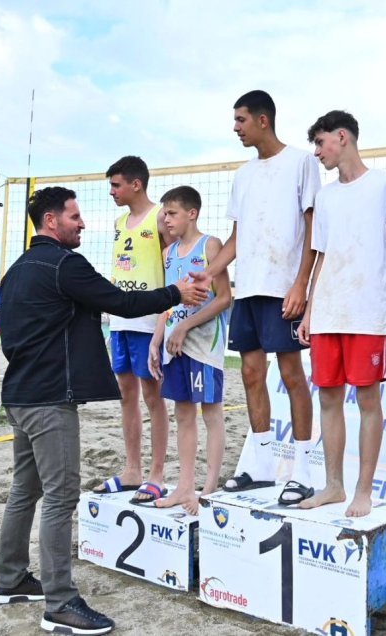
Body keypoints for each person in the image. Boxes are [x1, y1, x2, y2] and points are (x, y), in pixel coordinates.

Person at [0, 186, 206, 635]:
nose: (82, 223)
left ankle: (9, 579)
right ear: (51, 221)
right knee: (60, 496)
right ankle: (60, 603)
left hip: (20, 395)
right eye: (74, 216)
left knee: (24, 490)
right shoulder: (64, 265)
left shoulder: (16, 271)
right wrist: (175, 292)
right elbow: (121, 302)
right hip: (50, 400)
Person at [193, 90, 321, 506]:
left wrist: (301, 283)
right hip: (248, 286)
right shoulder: (243, 174)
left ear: (262, 120)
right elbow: (237, 236)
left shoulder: (302, 162)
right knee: (250, 373)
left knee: (291, 374)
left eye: (241, 120)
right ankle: (261, 466)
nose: (235, 128)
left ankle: (302, 470)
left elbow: (313, 229)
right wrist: (210, 272)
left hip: (282, 285)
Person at [297, 110, 386, 517]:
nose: (317, 152)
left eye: (321, 142)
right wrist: (310, 310)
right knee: (328, 398)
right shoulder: (325, 196)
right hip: (329, 311)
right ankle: (334, 485)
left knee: (368, 400)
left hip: (368, 313)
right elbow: (322, 256)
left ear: (342, 137)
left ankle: (364, 489)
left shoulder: (385, 186)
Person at [93, 155, 173, 504]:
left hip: (148, 322)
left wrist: (163, 322)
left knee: (153, 397)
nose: (112, 191)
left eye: (116, 185)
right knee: (126, 395)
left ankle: (156, 474)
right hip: (121, 321)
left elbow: (173, 271)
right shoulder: (119, 221)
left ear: (135, 184)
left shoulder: (161, 218)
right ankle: (132, 469)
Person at [148, 186, 231, 515]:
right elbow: (168, 304)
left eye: (172, 213)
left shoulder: (210, 245)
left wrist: (185, 326)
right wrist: (157, 339)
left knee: (211, 412)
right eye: (165, 213)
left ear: (191, 213)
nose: (165, 219)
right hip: (174, 345)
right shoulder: (169, 254)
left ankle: (208, 489)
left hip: (203, 345)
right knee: (182, 415)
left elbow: (225, 298)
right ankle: (184, 487)